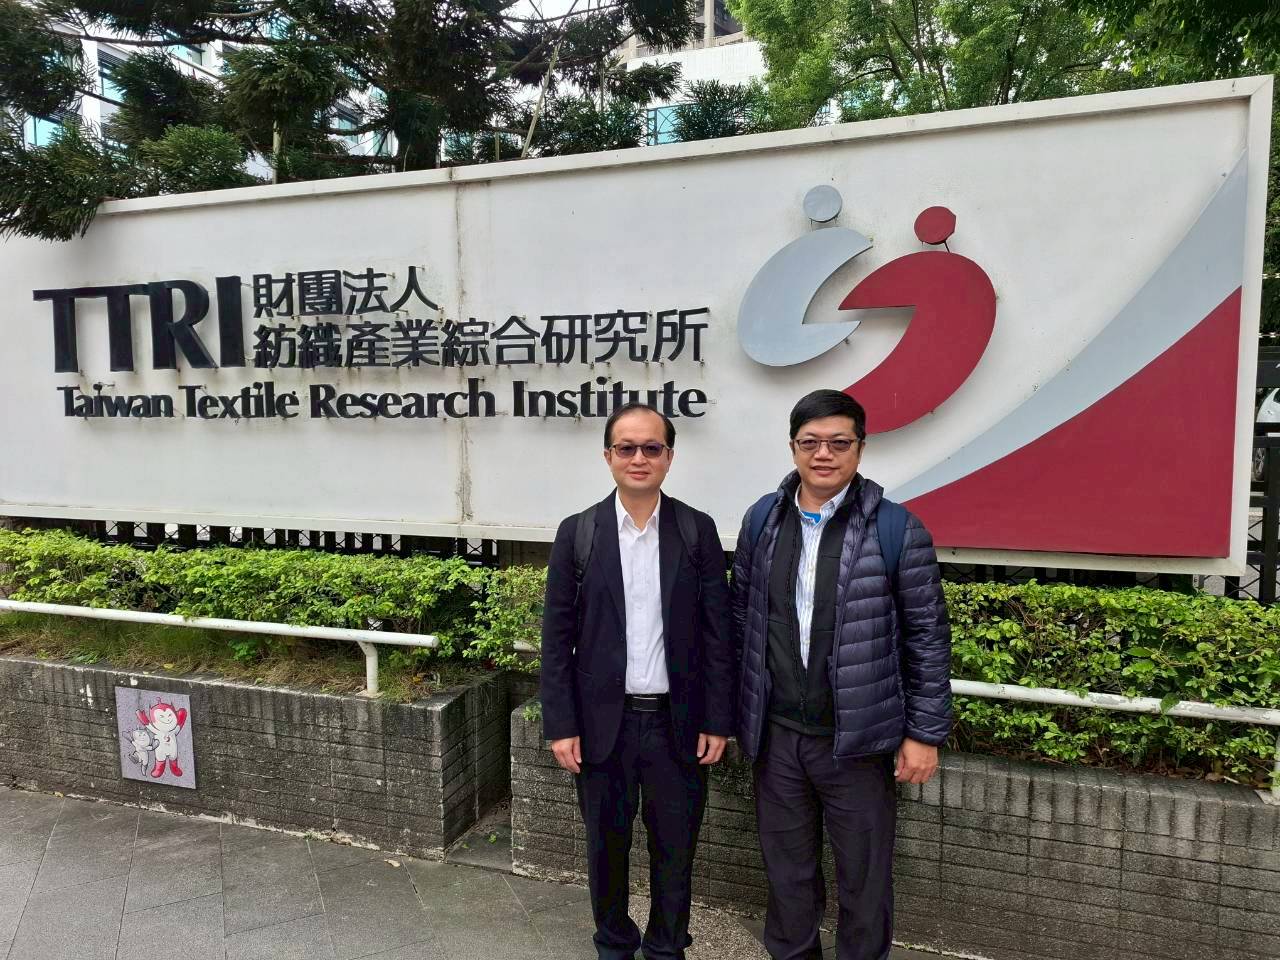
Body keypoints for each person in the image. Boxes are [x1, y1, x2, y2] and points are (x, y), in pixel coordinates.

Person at [730, 389, 953, 960]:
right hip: (777, 735)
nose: (823, 454)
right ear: (792, 447)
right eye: (811, 442)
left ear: (860, 447)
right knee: (787, 874)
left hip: (856, 741)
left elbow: (927, 636)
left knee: (865, 880)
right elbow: (741, 622)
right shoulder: (762, 520)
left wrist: (924, 734)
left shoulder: (896, 528)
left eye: (838, 442)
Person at [540, 402, 735, 960]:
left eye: (652, 448)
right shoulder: (579, 533)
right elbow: (556, 640)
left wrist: (718, 720)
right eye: (626, 448)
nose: (639, 458)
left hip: (680, 725)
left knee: (676, 848)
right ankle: (614, 943)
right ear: (608, 457)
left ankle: (668, 946)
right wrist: (562, 725)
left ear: (669, 457)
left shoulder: (696, 531)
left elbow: (720, 636)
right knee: (606, 847)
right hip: (604, 727)